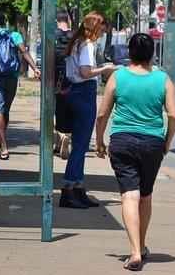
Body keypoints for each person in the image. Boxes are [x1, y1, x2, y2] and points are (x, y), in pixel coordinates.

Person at [95, 33, 175, 271]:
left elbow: (102, 114)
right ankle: (140, 246)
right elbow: (173, 116)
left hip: (122, 141)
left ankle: (134, 252)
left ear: (129, 53)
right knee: (145, 195)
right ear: (152, 53)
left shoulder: (117, 77)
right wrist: (167, 141)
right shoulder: (163, 79)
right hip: (153, 143)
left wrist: (99, 141)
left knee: (129, 195)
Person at [60, 11, 115, 209]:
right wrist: (106, 68)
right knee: (81, 145)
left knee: (80, 144)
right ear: (95, 28)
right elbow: (85, 72)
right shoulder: (87, 45)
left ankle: (78, 187)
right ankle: (69, 188)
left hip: (75, 93)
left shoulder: (77, 43)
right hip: (84, 92)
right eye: (101, 28)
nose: (102, 32)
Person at [0, 11, 41, 160]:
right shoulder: (14, 35)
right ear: (4, 20)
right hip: (12, 77)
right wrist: (35, 68)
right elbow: (24, 52)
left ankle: (4, 147)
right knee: (6, 110)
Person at [54, 10, 73, 159]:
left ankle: (60, 137)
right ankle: (67, 134)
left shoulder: (53, 34)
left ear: (56, 20)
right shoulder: (74, 36)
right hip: (71, 76)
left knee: (56, 109)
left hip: (55, 76)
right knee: (69, 107)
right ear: (67, 19)